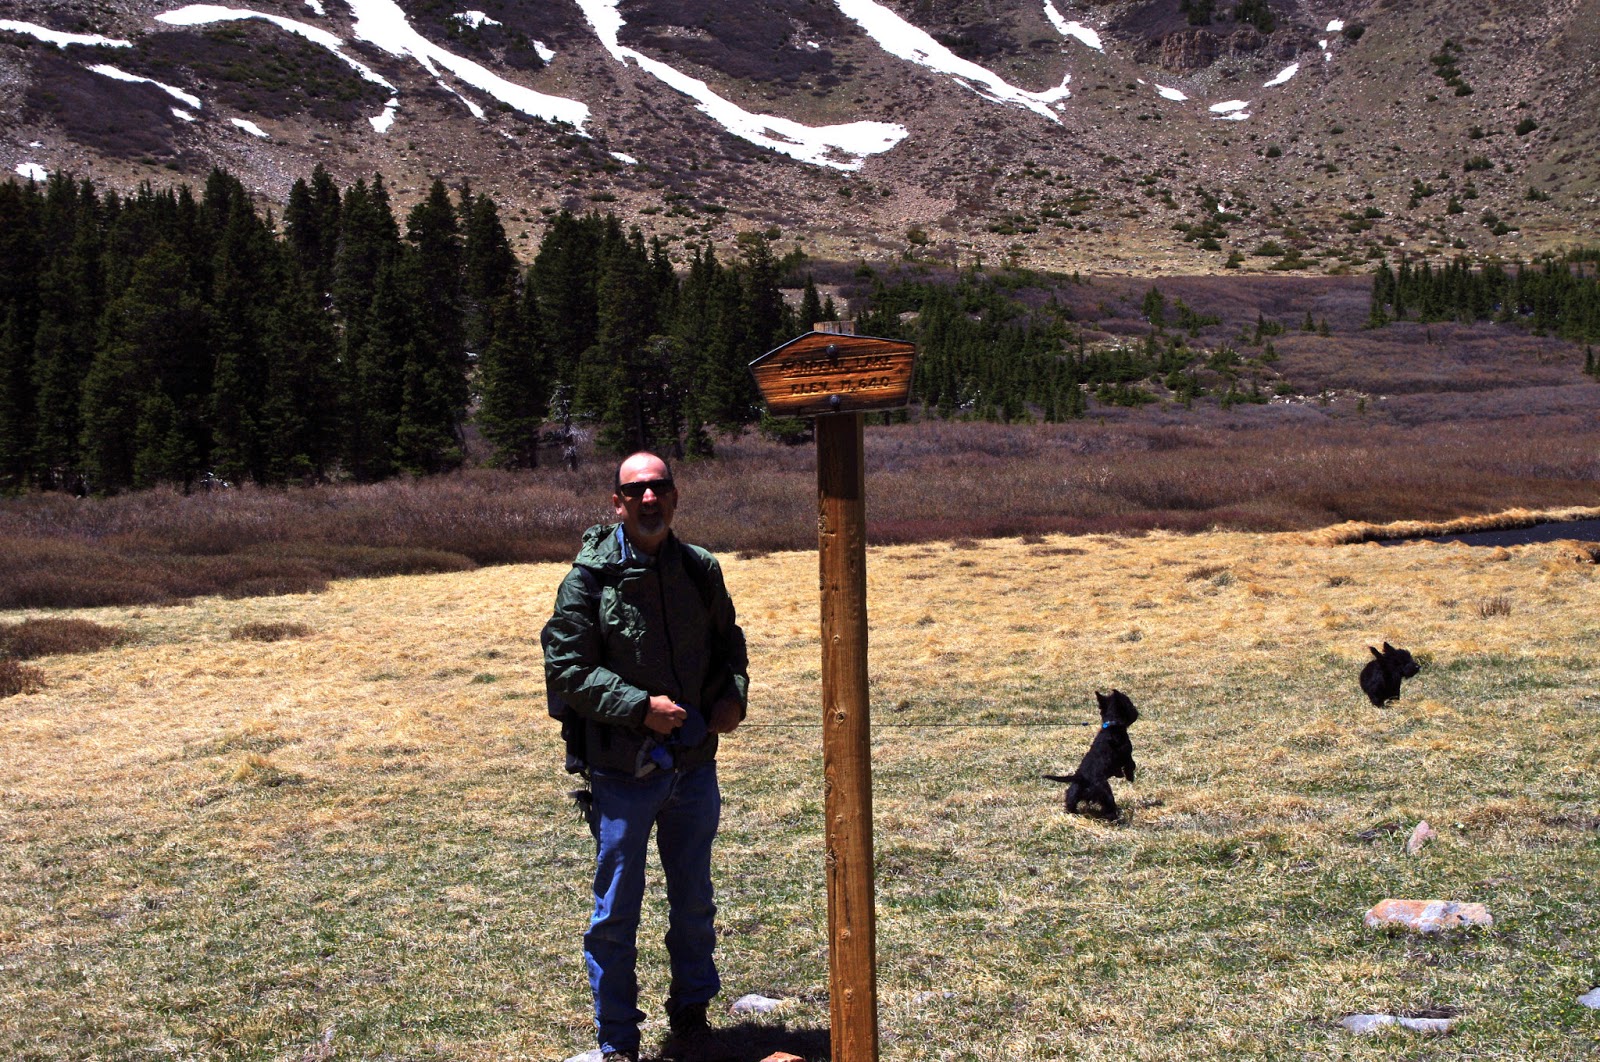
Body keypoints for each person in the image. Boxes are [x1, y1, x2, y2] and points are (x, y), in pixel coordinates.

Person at [542, 451, 749, 1062]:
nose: (649, 499)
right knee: (615, 913)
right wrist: (639, 707)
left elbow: (728, 642)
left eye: (659, 488)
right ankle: (618, 1041)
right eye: (636, 492)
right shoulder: (587, 579)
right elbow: (566, 670)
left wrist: (733, 695)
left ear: (675, 496)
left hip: (692, 765)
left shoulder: (698, 568)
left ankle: (692, 1014)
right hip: (620, 772)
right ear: (617, 503)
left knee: (693, 901)